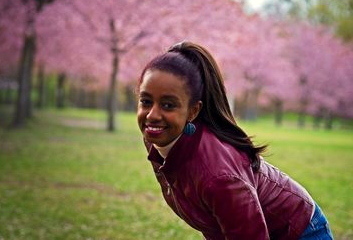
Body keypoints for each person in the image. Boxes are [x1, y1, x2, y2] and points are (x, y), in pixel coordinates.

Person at [136, 41, 333, 240]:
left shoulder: (218, 175)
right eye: (146, 101)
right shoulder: (159, 139)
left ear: (193, 111)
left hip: (300, 232)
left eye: (168, 105)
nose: (152, 115)